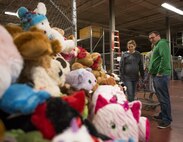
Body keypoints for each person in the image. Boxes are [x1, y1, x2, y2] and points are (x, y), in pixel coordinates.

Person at [148, 31, 172, 129]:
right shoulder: (156, 45)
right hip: (156, 75)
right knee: (160, 97)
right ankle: (163, 114)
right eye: (150, 38)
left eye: (153, 37)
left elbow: (164, 58)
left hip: (161, 75)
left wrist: (160, 72)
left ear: (158, 36)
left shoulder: (162, 43)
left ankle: (167, 120)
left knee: (164, 97)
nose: (151, 40)